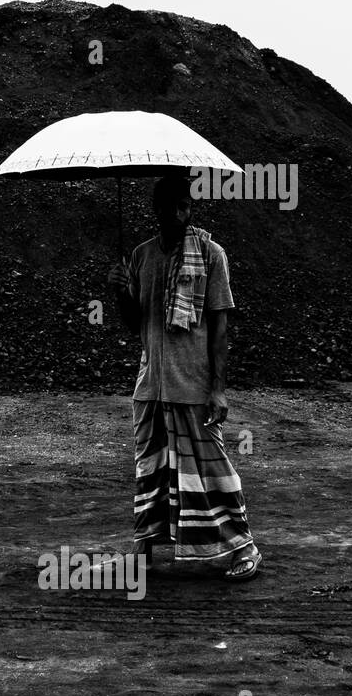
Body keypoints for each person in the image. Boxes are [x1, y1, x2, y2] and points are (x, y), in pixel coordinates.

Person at [107, 174, 261, 582]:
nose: (182, 214)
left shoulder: (211, 255)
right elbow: (132, 323)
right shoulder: (141, 257)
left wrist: (219, 389)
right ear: (158, 210)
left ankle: (244, 547)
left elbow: (220, 327)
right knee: (150, 469)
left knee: (212, 471)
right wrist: (120, 290)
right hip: (151, 385)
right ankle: (142, 551)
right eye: (174, 207)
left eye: (187, 207)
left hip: (192, 385)